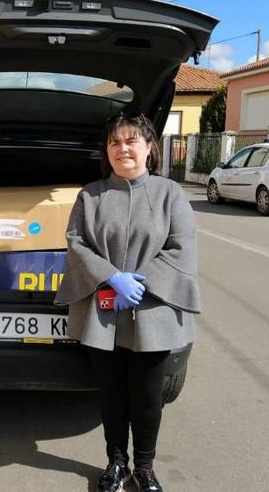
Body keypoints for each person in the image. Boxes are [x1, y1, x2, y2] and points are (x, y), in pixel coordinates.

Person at [55, 113, 200, 492]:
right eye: (115, 142)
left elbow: (182, 248)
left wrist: (140, 281)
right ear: (107, 151)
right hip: (103, 313)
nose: (123, 149)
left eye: (132, 140)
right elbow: (76, 242)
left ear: (149, 147)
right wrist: (111, 277)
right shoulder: (91, 195)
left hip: (154, 310)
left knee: (148, 396)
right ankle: (116, 463)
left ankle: (145, 468)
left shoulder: (170, 194)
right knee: (112, 395)